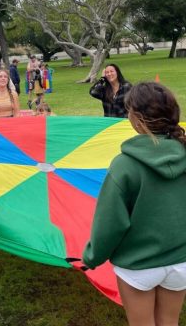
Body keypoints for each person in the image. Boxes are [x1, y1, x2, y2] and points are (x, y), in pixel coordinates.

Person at [83, 82, 186, 326]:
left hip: (137, 266)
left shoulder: (123, 166)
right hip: (181, 263)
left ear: (137, 119)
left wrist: (92, 257)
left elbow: (110, 224)